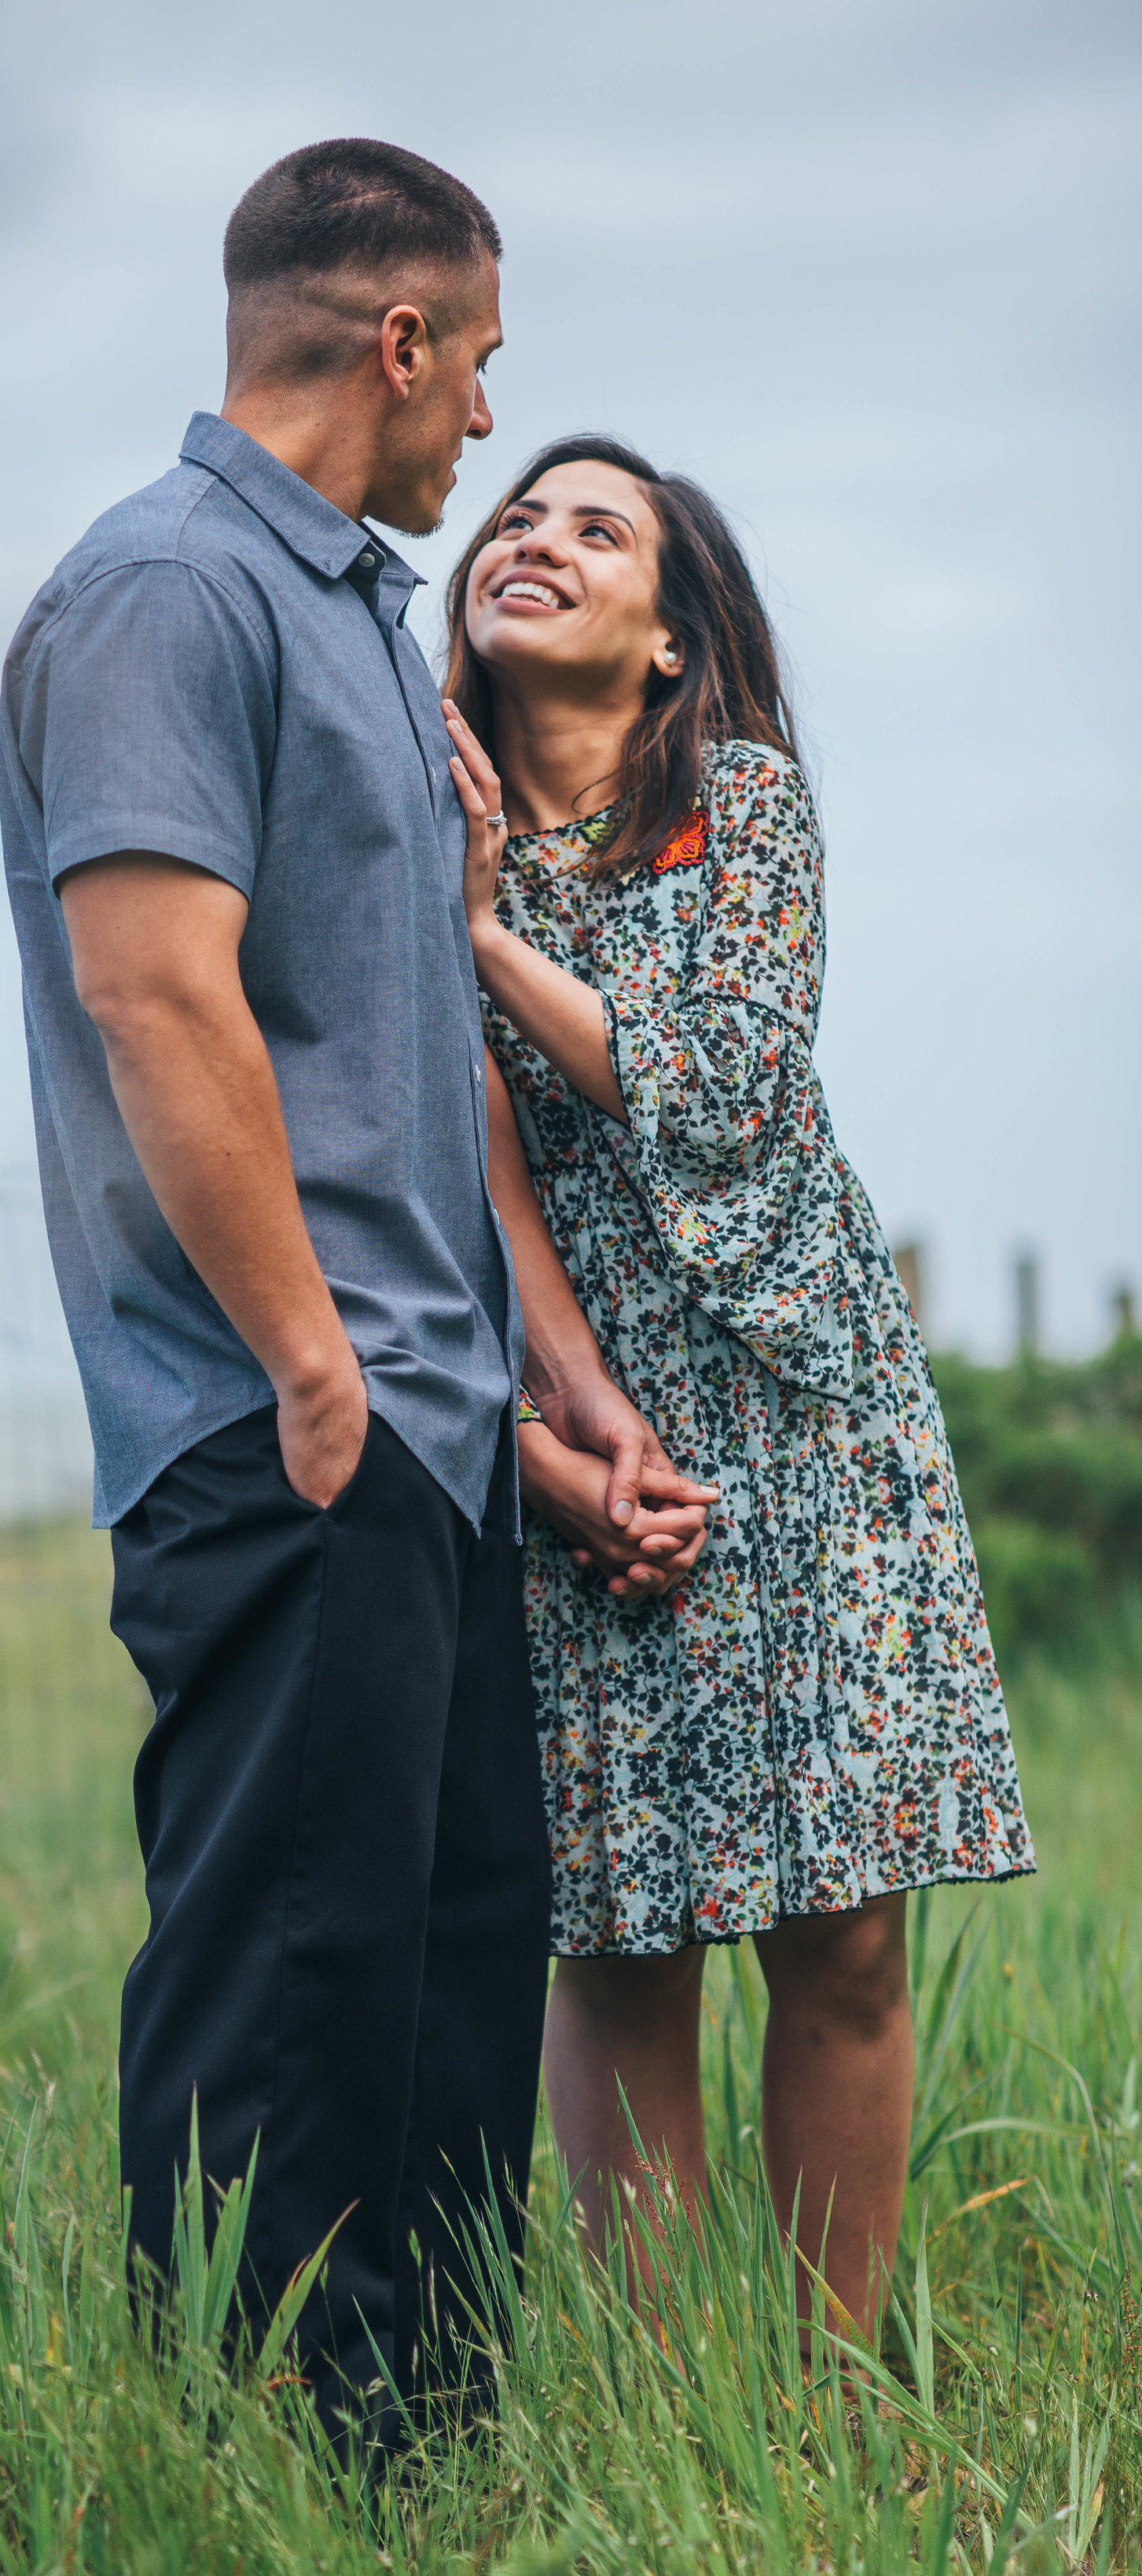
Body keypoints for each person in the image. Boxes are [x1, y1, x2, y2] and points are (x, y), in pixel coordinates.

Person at [0, 148, 715, 2440]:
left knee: (438, 1978)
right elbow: (156, 999)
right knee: (279, 1991)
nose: (483, 420)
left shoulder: (351, 624)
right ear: (394, 339)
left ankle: (418, 2473)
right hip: (275, 1423)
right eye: (478, 360)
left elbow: (394, 1079)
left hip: (422, 1428)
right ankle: (238, 2494)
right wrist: (312, 1370)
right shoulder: (160, 593)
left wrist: (514, 1402)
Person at [439, 435, 1034, 2351]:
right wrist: (548, 1440)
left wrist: (475, 938)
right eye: (512, 514)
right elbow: (439, 1158)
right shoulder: (398, 819)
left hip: (809, 1410)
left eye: (590, 530)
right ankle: (664, 2415)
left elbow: (712, 1081)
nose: (531, 539)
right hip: (574, 1441)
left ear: (670, 644)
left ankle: (830, 2402)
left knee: (841, 1931)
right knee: (622, 1939)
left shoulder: (742, 813)